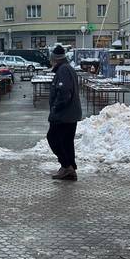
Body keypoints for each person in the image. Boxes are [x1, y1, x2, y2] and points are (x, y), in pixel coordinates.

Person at [47, 44, 82, 181]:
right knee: (66, 141)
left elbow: (64, 92)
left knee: (53, 138)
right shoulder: (67, 68)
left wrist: (56, 107)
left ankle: (67, 166)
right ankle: (70, 169)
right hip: (70, 114)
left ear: (55, 59)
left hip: (64, 115)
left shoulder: (63, 70)